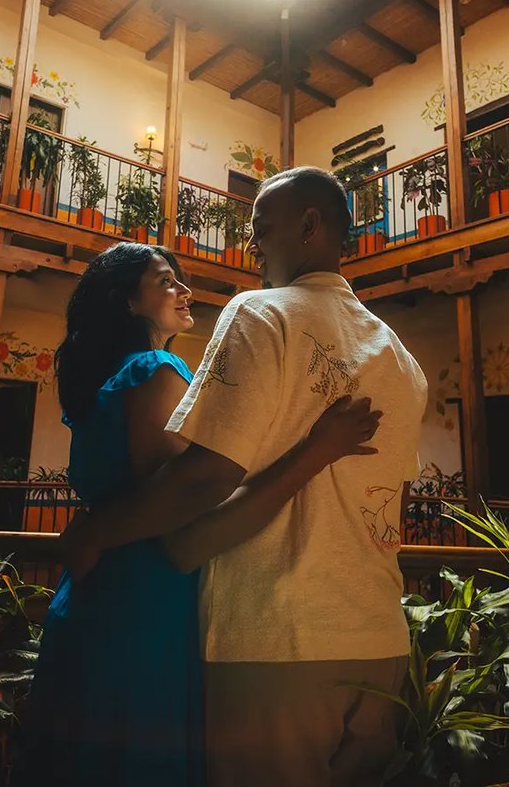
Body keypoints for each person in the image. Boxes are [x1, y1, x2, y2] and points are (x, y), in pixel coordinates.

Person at [63, 168, 429, 786]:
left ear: (309, 226)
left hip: (277, 641)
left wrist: (100, 530)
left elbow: (203, 479)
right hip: (379, 638)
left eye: (261, 227)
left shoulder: (261, 314)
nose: (252, 244)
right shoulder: (400, 356)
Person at [15, 241, 382, 787]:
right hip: (145, 599)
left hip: (95, 591)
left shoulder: (107, 382)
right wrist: (315, 450)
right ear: (127, 303)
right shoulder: (153, 369)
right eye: (166, 282)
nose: (185, 291)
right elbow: (187, 501)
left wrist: (92, 530)